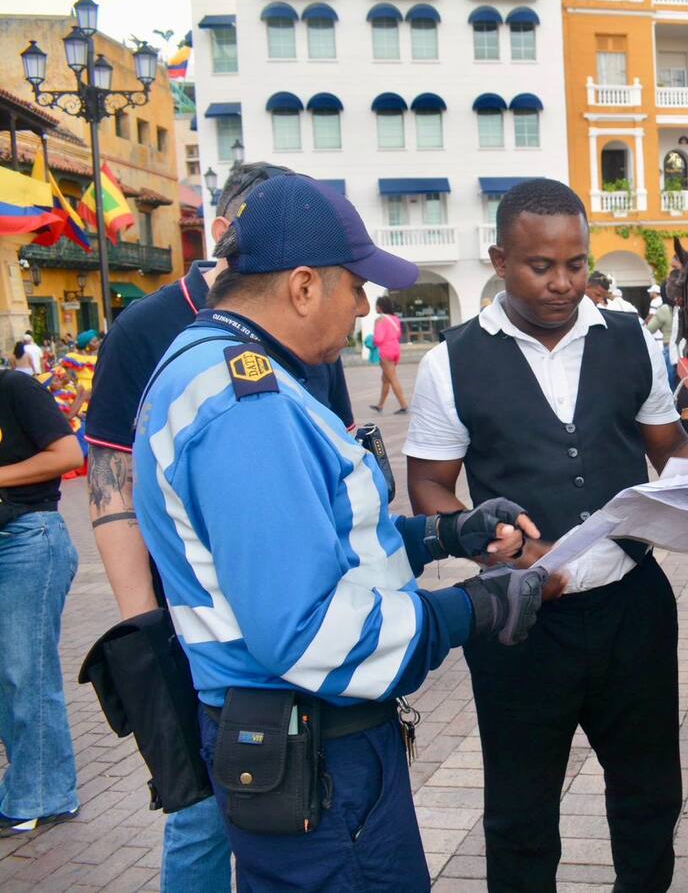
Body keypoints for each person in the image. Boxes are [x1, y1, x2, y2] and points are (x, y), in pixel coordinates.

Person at [132, 173, 555, 892]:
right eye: (355, 287)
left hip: (299, 747)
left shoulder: (221, 368)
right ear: (302, 286)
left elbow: (319, 536)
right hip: (319, 757)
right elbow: (308, 628)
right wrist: (476, 608)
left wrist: (442, 535)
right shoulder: (246, 404)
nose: (364, 307)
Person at [405, 179, 688, 892]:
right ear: (500, 259)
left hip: (633, 607)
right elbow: (430, 487)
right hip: (520, 622)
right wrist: (488, 539)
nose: (564, 284)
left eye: (577, 264)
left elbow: (666, 444)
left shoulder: (631, 339)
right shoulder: (452, 362)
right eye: (541, 266)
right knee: (522, 817)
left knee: (650, 799)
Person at [84, 162, 359, 893]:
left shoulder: (306, 329)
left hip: (296, 616)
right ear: (225, 225)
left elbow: (341, 451)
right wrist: (149, 635)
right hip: (190, 622)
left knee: (297, 800)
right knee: (201, 816)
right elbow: (111, 489)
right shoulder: (147, 328)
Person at [0, 366, 85, 835]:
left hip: (26, 537)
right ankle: (26, 785)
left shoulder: (13, 386)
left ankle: (46, 795)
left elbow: (69, 452)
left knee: (25, 670)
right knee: (7, 677)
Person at [369, 295, 409, 414]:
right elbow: (398, 334)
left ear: (380, 307)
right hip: (395, 349)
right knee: (385, 379)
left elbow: (378, 339)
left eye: (376, 305)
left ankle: (404, 405)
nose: (375, 307)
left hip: (385, 352)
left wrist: (372, 340)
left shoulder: (380, 320)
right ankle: (380, 405)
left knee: (392, 378)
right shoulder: (395, 319)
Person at [645, 284, 675, 387]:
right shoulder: (681, 307)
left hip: (669, 348)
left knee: (670, 382)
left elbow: (650, 329)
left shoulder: (664, 309)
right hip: (684, 349)